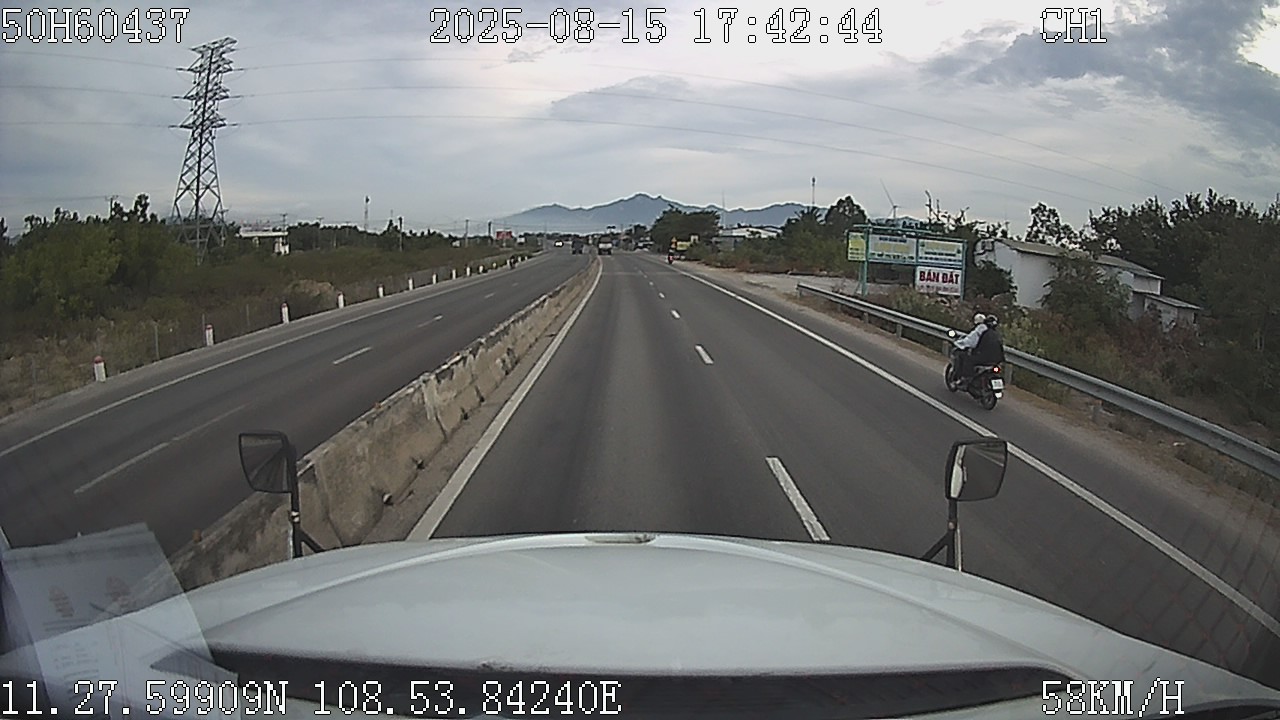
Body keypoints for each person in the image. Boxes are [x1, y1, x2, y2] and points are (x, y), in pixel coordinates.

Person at [951, 313, 988, 386]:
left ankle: (964, 378)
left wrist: (959, 343)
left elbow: (969, 342)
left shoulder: (978, 331)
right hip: (989, 356)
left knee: (964, 358)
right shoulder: (989, 331)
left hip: (980, 354)